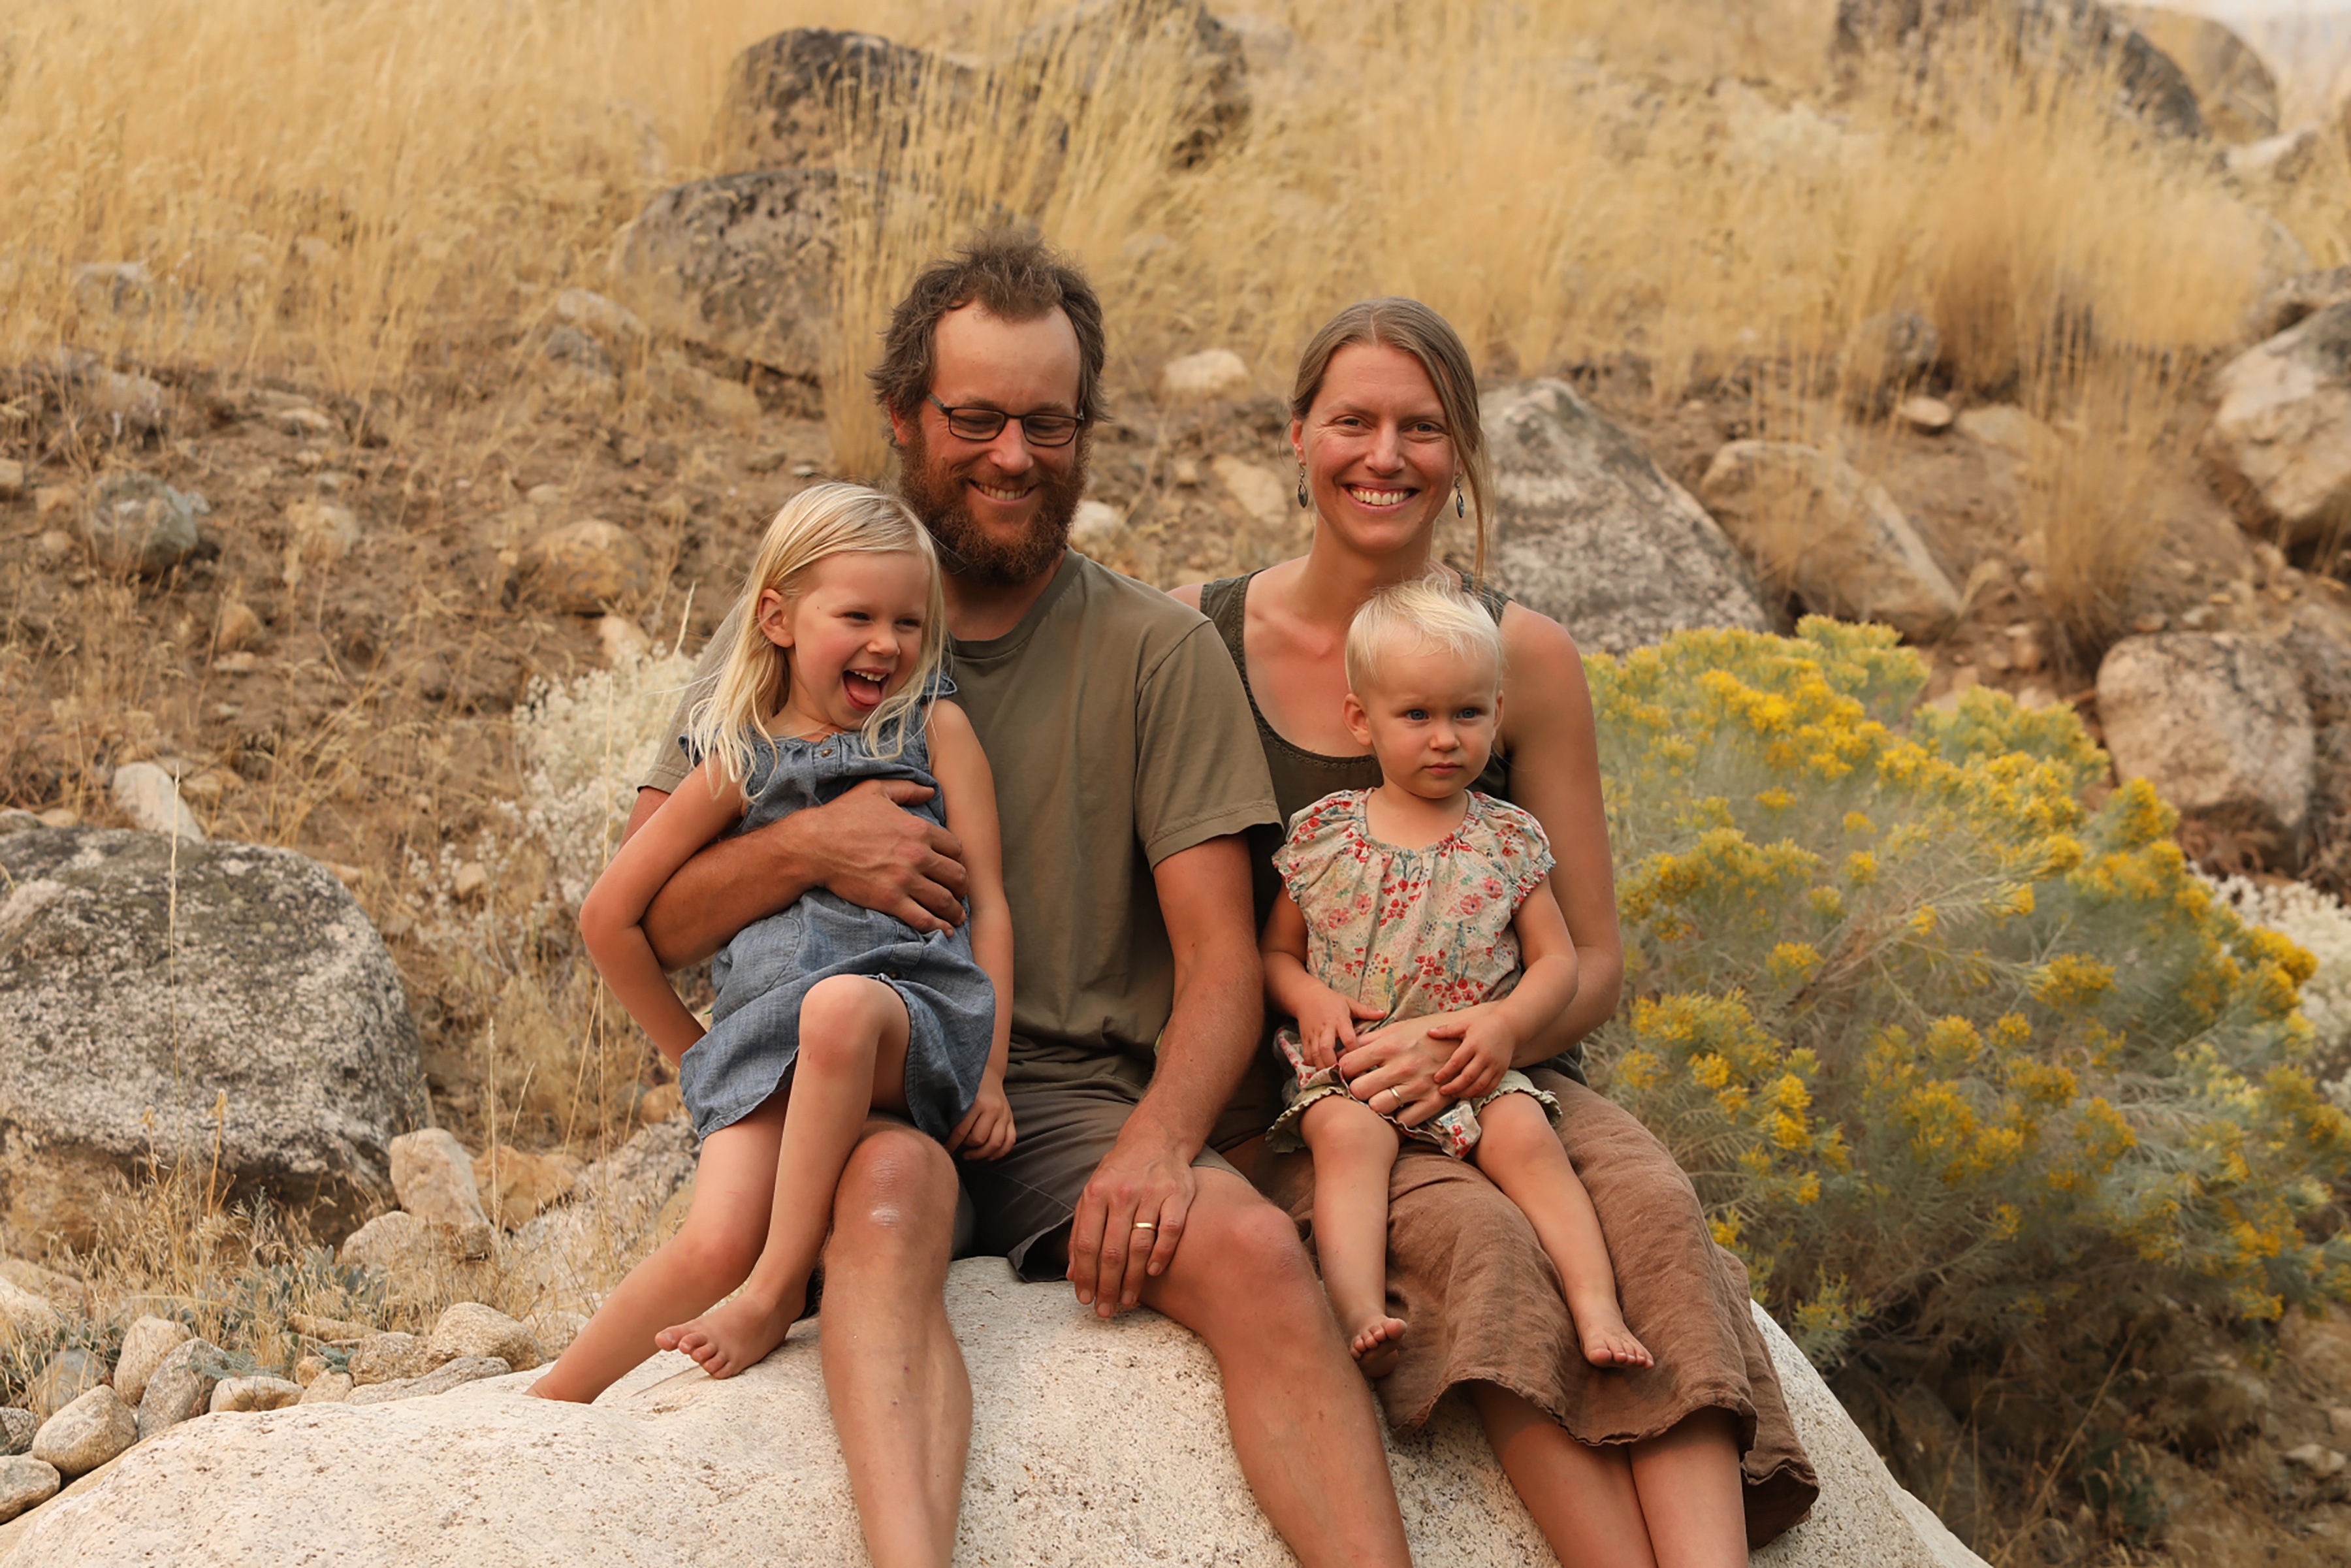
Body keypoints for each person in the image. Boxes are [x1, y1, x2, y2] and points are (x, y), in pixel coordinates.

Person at [622, 234, 1414, 1568]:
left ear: (1086, 430)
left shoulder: (1157, 652)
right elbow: (646, 915)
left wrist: (1163, 1144)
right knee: (880, 1210)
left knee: (1258, 1261)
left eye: (1048, 425)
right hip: (854, 1075)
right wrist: (815, 849)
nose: (1011, 457)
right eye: (975, 419)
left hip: (1061, 1096)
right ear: (901, 417)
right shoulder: (808, 627)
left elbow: (1224, 959)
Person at [1175, 296, 1819, 1567]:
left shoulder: (1523, 654)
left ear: (1462, 452)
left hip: (1512, 1066)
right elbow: (1204, 942)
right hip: (1327, 1097)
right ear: (1297, 432)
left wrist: (1491, 1032)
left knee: (1648, 1208)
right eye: (1352, 420)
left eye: (1423, 427)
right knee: (1480, 1242)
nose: (1385, 455)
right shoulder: (1193, 635)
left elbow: (1595, 957)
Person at [532, 483, 1015, 1414]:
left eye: (911, 622)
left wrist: (990, 1074)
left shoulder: (935, 732)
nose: (888, 643)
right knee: (711, 1240)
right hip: (766, 1044)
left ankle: (773, 1291)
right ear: (779, 618)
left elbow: (989, 905)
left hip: (908, 1022)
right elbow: (609, 916)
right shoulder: (737, 758)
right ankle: (551, 1406)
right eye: (858, 616)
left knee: (838, 1009)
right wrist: (694, 1051)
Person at [1263, 575, 1652, 1380]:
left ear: (1497, 715)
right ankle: (1359, 1307)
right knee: (1344, 1142)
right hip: (1358, 1068)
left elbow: (1559, 961)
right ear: (1361, 721)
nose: (1445, 738)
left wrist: (1506, 1027)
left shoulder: (1509, 838)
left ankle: (1596, 1306)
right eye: (1418, 716)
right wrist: (1312, 998)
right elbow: (1275, 954)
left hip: (1476, 1062)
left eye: (1467, 714)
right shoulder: (1326, 834)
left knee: (1532, 1145)